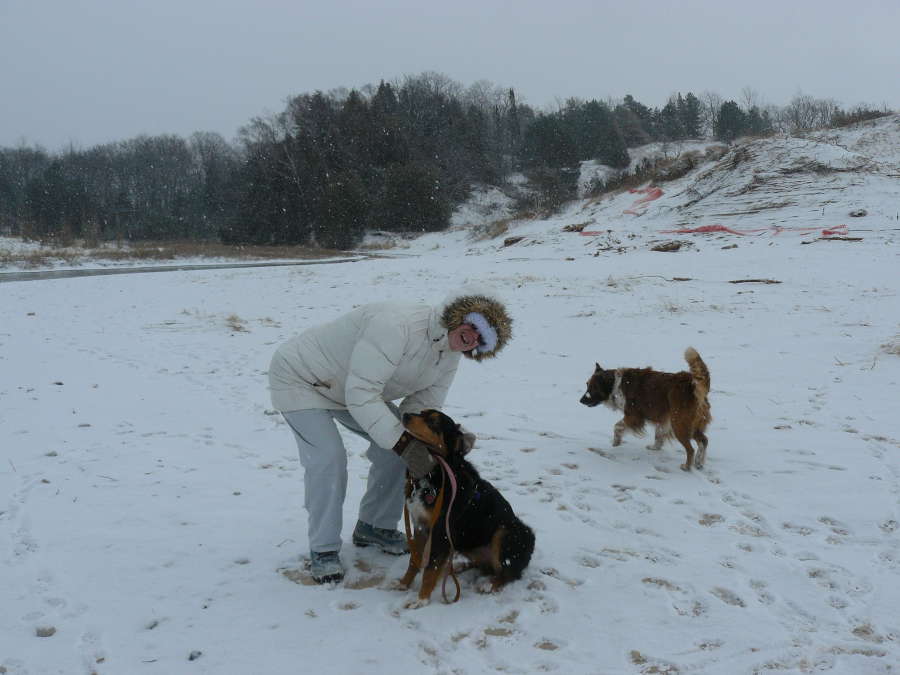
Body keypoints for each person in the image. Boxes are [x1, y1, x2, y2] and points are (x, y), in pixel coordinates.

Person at [268, 290, 512, 583]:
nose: (472, 336)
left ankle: (374, 527)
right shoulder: (397, 325)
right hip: (302, 379)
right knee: (328, 459)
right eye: (472, 325)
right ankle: (323, 549)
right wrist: (404, 444)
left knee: (399, 451)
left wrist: (445, 441)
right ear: (458, 316)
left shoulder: (450, 357)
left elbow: (420, 409)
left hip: (352, 389)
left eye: (481, 338)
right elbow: (361, 393)